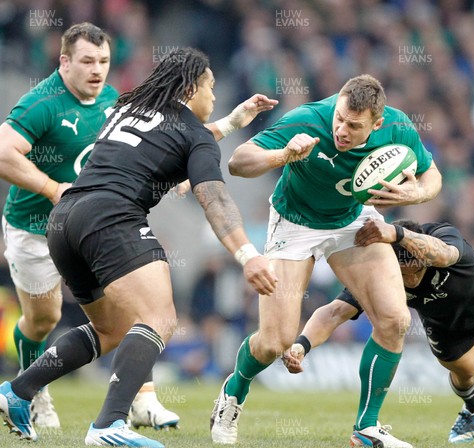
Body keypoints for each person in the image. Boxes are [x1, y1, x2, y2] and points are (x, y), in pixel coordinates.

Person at [0, 47, 278, 447]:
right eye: (210, 87)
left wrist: (232, 121)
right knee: (160, 318)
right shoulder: (194, 135)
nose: (214, 97)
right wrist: (247, 255)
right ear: (189, 88)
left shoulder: (126, 109)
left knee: (110, 329)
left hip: (64, 220)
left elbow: (165, 146)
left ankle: (17, 392)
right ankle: (108, 425)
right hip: (111, 220)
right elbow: (214, 198)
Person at [211, 74, 442, 448]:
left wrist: (414, 193)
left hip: (353, 219)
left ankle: (366, 428)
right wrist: (283, 155)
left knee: (395, 319)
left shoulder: (398, 127)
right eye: (340, 118)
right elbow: (238, 162)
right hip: (295, 221)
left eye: (354, 126)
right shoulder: (308, 119)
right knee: (275, 341)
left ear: (377, 124)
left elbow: (433, 176)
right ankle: (234, 391)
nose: (342, 130)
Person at [0, 22, 180, 431]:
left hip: (88, 227)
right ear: (64, 62)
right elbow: (2, 152)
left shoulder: (112, 100)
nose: (96, 69)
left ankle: (143, 400)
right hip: (33, 228)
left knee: (130, 309)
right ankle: (32, 393)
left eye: (103, 61)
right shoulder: (42, 103)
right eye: (86, 61)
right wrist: (50, 188)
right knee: (44, 319)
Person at [283, 219, 474, 444]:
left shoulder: (441, 236)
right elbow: (335, 311)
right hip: (442, 320)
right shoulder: (382, 272)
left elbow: (445, 254)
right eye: (403, 273)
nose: (410, 280)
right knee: (464, 371)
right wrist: (302, 345)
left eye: (416, 270)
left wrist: (398, 234)